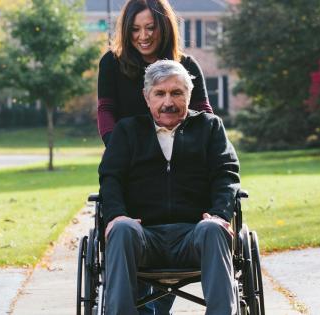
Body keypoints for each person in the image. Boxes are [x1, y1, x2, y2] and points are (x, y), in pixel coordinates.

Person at [99, 60, 240, 315]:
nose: (168, 102)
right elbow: (110, 179)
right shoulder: (127, 131)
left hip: (194, 234)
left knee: (213, 228)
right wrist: (116, 215)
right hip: (143, 235)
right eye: (160, 93)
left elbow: (226, 175)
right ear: (146, 97)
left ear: (189, 95)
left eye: (176, 93)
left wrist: (219, 214)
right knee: (120, 228)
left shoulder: (210, 127)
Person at [97, 0, 213, 147]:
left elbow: (204, 113)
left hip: (179, 153)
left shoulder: (187, 65)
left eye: (150, 28)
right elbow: (105, 110)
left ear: (165, 26)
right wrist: (115, 145)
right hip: (130, 152)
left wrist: (208, 143)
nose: (143, 36)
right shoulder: (111, 63)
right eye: (135, 29)